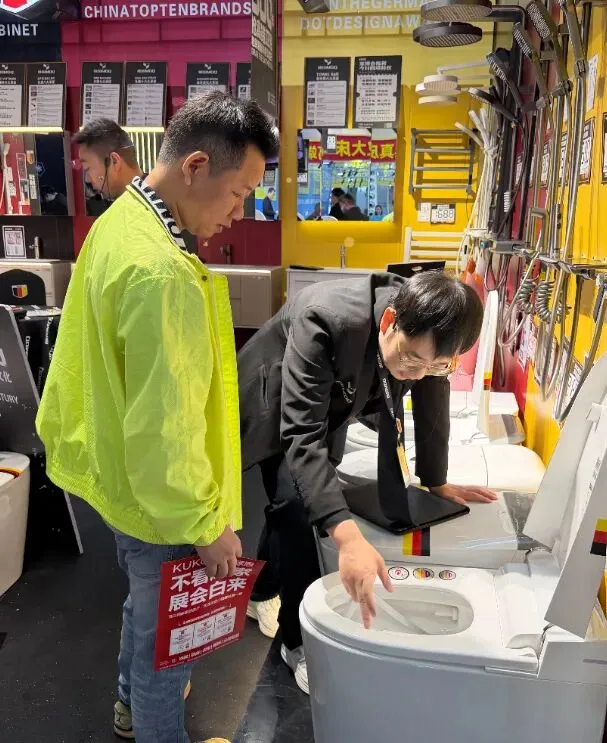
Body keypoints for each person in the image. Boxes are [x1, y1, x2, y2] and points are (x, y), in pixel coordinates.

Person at [36, 92, 279, 743]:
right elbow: (163, 430)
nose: (239, 211)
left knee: (145, 611)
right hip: (161, 500)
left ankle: (125, 708)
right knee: (166, 656)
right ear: (196, 166)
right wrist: (203, 523)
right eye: (239, 192)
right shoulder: (162, 271)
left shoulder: (122, 220)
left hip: (121, 478)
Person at [239, 271, 495, 694]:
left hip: (339, 395)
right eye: (412, 360)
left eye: (436, 365)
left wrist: (436, 481)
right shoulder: (325, 319)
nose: (418, 375)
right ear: (389, 321)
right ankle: (296, 641)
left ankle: (261, 589)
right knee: (297, 503)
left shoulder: (425, 338)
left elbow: (432, 395)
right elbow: (301, 433)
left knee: (303, 499)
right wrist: (347, 539)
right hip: (279, 394)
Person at [73, 118, 142, 202]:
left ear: (115, 161)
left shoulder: (134, 207)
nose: (87, 179)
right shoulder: (152, 195)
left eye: (87, 168)